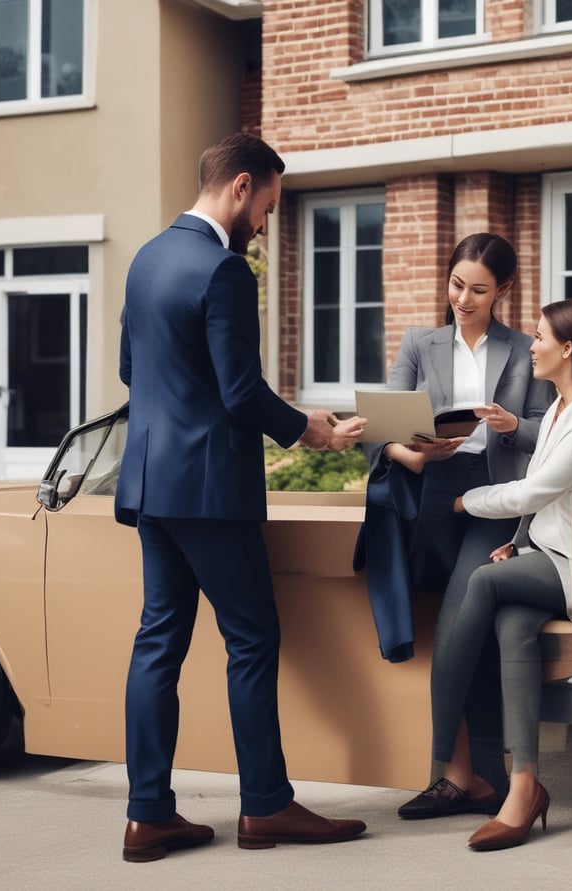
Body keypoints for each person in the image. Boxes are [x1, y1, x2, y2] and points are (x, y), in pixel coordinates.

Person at [115, 133, 368, 862]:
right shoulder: (224, 270)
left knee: (158, 641)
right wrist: (308, 430)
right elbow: (239, 393)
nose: (265, 222)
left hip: (149, 484)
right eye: (268, 206)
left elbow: (134, 370)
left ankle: (148, 814)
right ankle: (265, 805)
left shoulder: (146, 259)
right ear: (241, 187)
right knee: (252, 639)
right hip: (208, 491)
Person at [399, 298, 572, 851]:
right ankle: (523, 786)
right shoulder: (558, 408)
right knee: (511, 626)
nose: (532, 345)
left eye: (541, 337)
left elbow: (534, 490)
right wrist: (516, 541)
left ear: (568, 349)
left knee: (481, 583)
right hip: (547, 555)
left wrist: (463, 503)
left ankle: (441, 747)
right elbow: (549, 503)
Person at [355, 233, 554, 807]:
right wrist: (406, 453)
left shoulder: (525, 349)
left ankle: (452, 771)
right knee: (465, 630)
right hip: (430, 498)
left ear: (504, 292)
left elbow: (548, 431)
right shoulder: (420, 343)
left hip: (495, 500)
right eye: (456, 284)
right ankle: (471, 776)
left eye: (479, 290)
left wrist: (510, 424)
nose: (463, 299)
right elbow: (378, 423)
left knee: (458, 623)